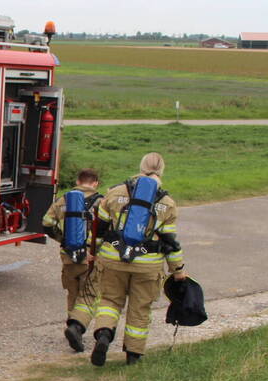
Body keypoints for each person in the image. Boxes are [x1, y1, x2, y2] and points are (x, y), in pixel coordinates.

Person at [90, 152, 186, 366]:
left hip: (113, 259)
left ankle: (104, 334)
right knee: (140, 308)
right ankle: (133, 355)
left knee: (109, 301)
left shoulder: (115, 193)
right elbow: (170, 242)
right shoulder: (167, 203)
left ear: (141, 167)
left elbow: (100, 229)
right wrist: (178, 270)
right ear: (162, 171)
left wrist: (93, 251)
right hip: (148, 266)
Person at [42, 168, 103, 352]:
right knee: (89, 295)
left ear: (78, 181)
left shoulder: (64, 199)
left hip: (68, 256)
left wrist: (62, 239)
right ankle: (77, 328)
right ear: (95, 183)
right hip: (91, 258)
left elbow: (47, 223)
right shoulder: (101, 201)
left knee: (73, 293)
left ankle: (72, 326)